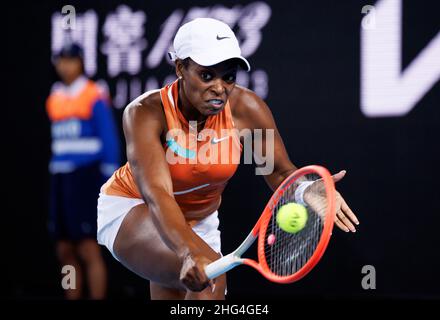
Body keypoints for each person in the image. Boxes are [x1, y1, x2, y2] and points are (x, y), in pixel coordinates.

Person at [97, 18, 359, 300]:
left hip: (200, 222)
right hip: (134, 208)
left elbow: (279, 174)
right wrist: (187, 251)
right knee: (212, 277)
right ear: (180, 68)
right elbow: (157, 193)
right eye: (207, 76)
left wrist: (307, 188)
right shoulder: (146, 113)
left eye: (229, 77)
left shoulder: (246, 110)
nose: (220, 88)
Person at [46, 42, 121, 299]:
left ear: (80, 63)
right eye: (60, 60)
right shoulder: (55, 96)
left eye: (69, 60)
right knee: (64, 249)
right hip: (61, 177)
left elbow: (109, 141)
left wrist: (107, 182)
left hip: (86, 177)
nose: (64, 66)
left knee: (88, 247)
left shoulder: (93, 94)